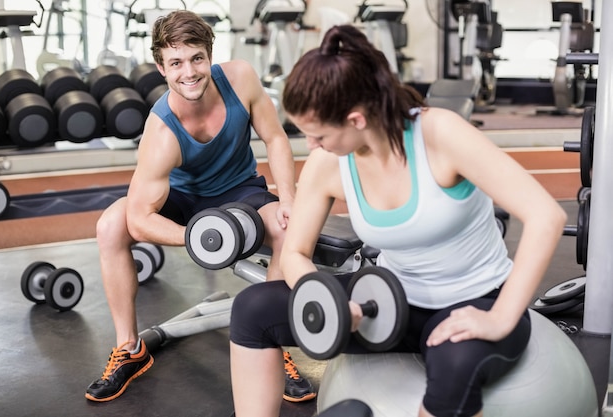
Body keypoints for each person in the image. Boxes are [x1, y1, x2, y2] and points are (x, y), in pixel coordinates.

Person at [228, 24, 567, 417]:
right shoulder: (328, 163)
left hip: (475, 298)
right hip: (389, 301)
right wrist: (332, 302)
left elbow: (546, 215)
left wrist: (501, 317)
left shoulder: (438, 135)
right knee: (253, 309)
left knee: (454, 368)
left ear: (355, 119)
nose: (312, 147)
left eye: (319, 135)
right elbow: (296, 253)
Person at [85, 10, 316, 403]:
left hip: (240, 190)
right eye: (175, 63)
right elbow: (140, 221)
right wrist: (200, 238)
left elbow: (276, 140)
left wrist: (289, 199)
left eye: (196, 58)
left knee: (284, 226)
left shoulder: (240, 79)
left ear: (210, 56)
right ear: (161, 67)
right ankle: (130, 349)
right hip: (183, 201)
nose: (188, 72)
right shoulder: (160, 133)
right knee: (111, 225)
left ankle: (273, 348)